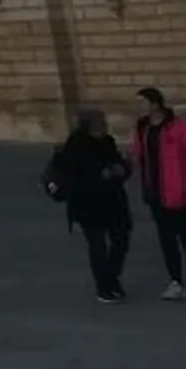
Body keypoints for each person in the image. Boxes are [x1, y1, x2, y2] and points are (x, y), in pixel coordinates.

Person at [131, 86, 186, 299]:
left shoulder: (178, 128)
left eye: (142, 102)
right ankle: (175, 280)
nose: (138, 107)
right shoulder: (142, 128)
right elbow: (137, 154)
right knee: (166, 238)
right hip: (155, 192)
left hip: (180, 193)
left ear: (155, 104)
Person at [46, 107, 134, 303]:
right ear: (90, 126)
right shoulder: (76, 146)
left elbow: (118, 165)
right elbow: (77, 178)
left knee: (121, 240)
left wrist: (123, 169)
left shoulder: (107, 142)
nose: (105, 125)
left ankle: (111, 277)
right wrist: (103, 174)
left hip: (114, 202)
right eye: (101, 123)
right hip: (88, 205)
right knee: (98, 246)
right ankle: (104, 286)